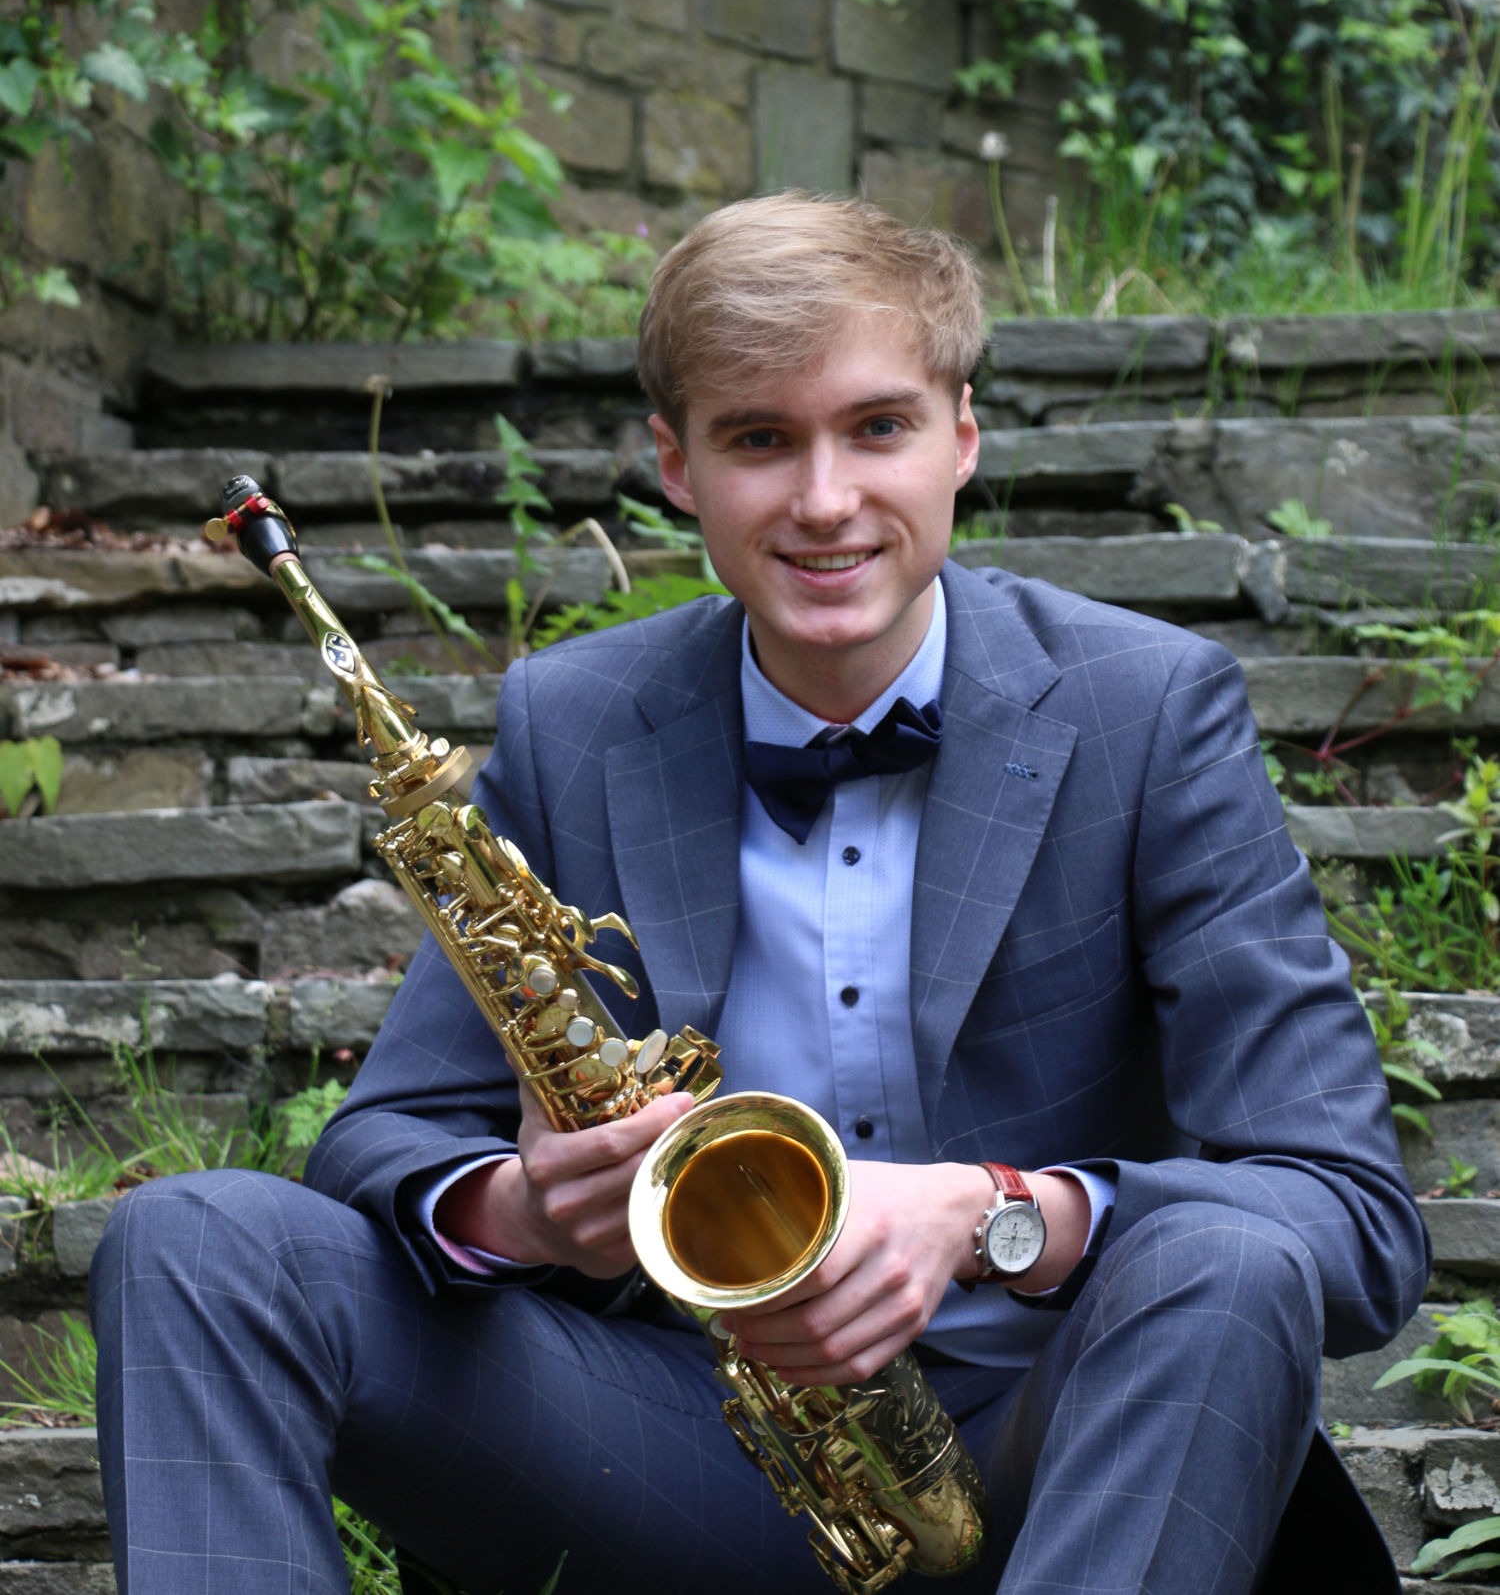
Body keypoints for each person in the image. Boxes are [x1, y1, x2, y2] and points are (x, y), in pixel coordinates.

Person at [90, 192, 1429, 1595]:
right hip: (684, 1456)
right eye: (758, 439)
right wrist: (527, 1208)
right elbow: (386, 1144)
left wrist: (997, 1212)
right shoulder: (576, 717)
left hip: (1079, 1464)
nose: (825, 498)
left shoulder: (1149, 709)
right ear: (675, 463)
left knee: (1229, 1257)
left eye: (878, 427)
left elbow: (1350, 1215)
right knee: (194, 1241)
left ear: (962, 435)